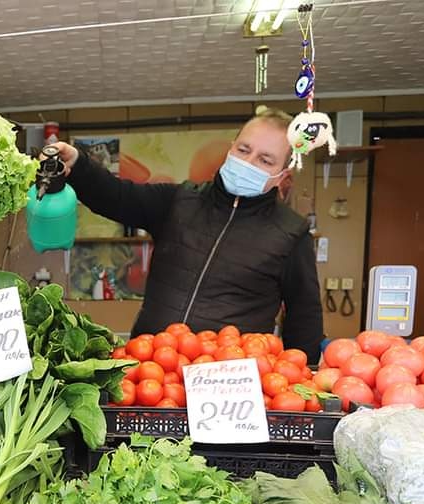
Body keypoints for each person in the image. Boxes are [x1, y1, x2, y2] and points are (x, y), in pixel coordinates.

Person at [51, 106, 324, 362]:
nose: (248, 162)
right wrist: (77, 164)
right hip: (151, 369)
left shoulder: (291, 233)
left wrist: (302, 384)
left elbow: (304, 318)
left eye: (265, 160)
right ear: (231, 148)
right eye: (244, 149)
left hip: (228, 384)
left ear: (283, 174)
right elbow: (117, 197)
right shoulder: (179, 200)